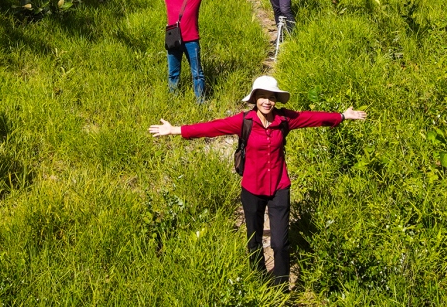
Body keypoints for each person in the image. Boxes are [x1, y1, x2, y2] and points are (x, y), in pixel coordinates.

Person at [149, 75, 367, 286]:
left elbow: (311, 118)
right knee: (254, 240)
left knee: (280, 243)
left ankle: (280, 287)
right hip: (252, 188)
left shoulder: (284, 119)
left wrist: (341, 116)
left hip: (280, 186)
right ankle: (259, 281)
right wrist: (175, 130)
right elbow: (212, 127)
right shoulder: (244, 121)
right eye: (262, 96)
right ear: (254, 98)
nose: (267, 101)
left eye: (271, 96)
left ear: (276, 99)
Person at [107, 0, 257, 102]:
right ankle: (173, 99)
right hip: (174, 38)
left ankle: (200, 101)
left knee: (197, 73)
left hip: (191, 39)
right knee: (173, 73)